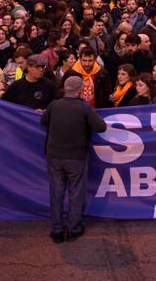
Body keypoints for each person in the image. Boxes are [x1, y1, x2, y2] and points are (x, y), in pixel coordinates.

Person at [40, 76, 107, 243]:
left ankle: (56, 229)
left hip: (54, 156)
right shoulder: (84, 108)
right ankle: (73, 228)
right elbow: (101, 127)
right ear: (80, 90)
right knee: (76, 193)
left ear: (65, 87)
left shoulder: (54, 105)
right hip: (76, 157)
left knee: (56, 192)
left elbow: (43, 121)